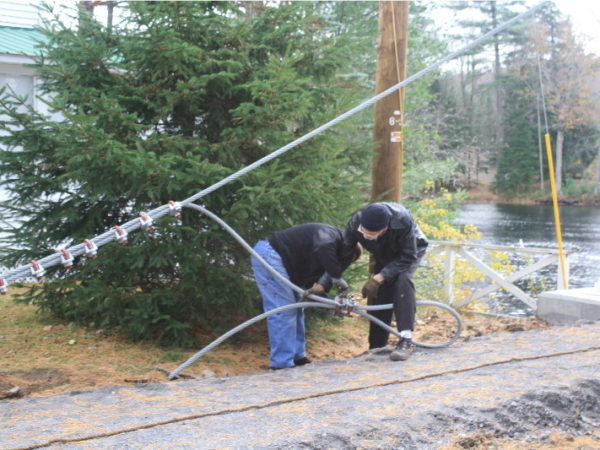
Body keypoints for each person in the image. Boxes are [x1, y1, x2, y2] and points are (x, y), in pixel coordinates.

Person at [250, 223, 361, 370]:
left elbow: (317, 278)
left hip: (282, 261)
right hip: (271, 254)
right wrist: (336, 275)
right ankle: (281, 364)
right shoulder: (329, 235)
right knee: (284, 309)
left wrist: (323, 297)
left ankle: (297, 357)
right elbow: (323, 248)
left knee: (297, 308)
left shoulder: (330, 253)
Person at [343, 202, 428, 361]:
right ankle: (376, 346)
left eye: (371, 234)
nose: (366, 236)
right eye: (364, 232)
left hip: (410, 252)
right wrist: (327, 280)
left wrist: (380, 276)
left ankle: (405, 340)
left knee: (403, 281)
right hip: (385, 254)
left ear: (385, 229)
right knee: (381, 294)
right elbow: (344, 254)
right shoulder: (356, 222)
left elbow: (408, 256)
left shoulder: (402, 220)